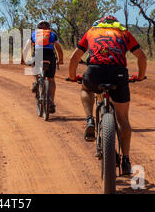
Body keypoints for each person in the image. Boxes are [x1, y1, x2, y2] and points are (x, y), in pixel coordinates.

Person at [67, 15, 147, 175]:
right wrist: (139, 76)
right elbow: (142, 57)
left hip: (95, 71)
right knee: (123, 119)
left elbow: (74, 57)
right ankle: (126, 160)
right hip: (118, 74)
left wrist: (71, 76)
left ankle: (89, 118)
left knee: (86, 89)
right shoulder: (124, 32)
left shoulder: (92, 31)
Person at [23, 20, 63, 114]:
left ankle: (36, 81)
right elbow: (58, 47)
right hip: (50, 56)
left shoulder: (34, 34)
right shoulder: (52, 34)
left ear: (38, 27)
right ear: (48, 27)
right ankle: (51, 102)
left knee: (34, 67)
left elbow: (26, 48)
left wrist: (23, 59)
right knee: (51, 79)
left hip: (37, 54)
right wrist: (60, 60)